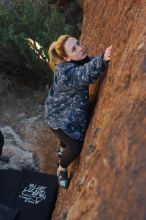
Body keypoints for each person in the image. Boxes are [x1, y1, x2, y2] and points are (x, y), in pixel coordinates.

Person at [45, 35, 112, 188]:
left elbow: (87, 62)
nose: (80, 48)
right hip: (56, 119)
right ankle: (61, 168)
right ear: (66, 58)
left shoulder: (75, 60)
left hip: (63, 110)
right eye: (74, 49)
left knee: (66, 139)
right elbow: (84, 74)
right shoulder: (65, 75)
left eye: (78, 43)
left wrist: (98, 60)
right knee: (75, 147)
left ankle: (62, 149)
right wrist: (103, 59)